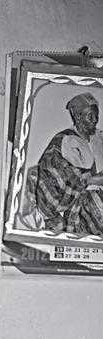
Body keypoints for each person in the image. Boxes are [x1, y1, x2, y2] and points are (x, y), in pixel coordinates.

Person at [35, 91, 103, 234]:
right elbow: (56, 174)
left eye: (97, 116)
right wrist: (91, 179)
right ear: (78, 117)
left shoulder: (100, 137)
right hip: (76, 201)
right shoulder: (63, 139)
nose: (95, 120)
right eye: (90, 116)